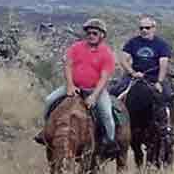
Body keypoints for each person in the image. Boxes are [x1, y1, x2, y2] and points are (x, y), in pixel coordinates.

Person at [40, 17, 119, 155]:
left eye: (95, 33)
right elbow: (68, 65)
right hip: (75, 86)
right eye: (88, 33)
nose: (91, 36)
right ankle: (46, 131)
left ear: (102, 35)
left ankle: (110, 143)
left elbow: (104, 77)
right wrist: (70, 85)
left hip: (95, 90)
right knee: (49, 101)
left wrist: (94, 96)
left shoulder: (107, 53)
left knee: (107, 114)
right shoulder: (76, 47)